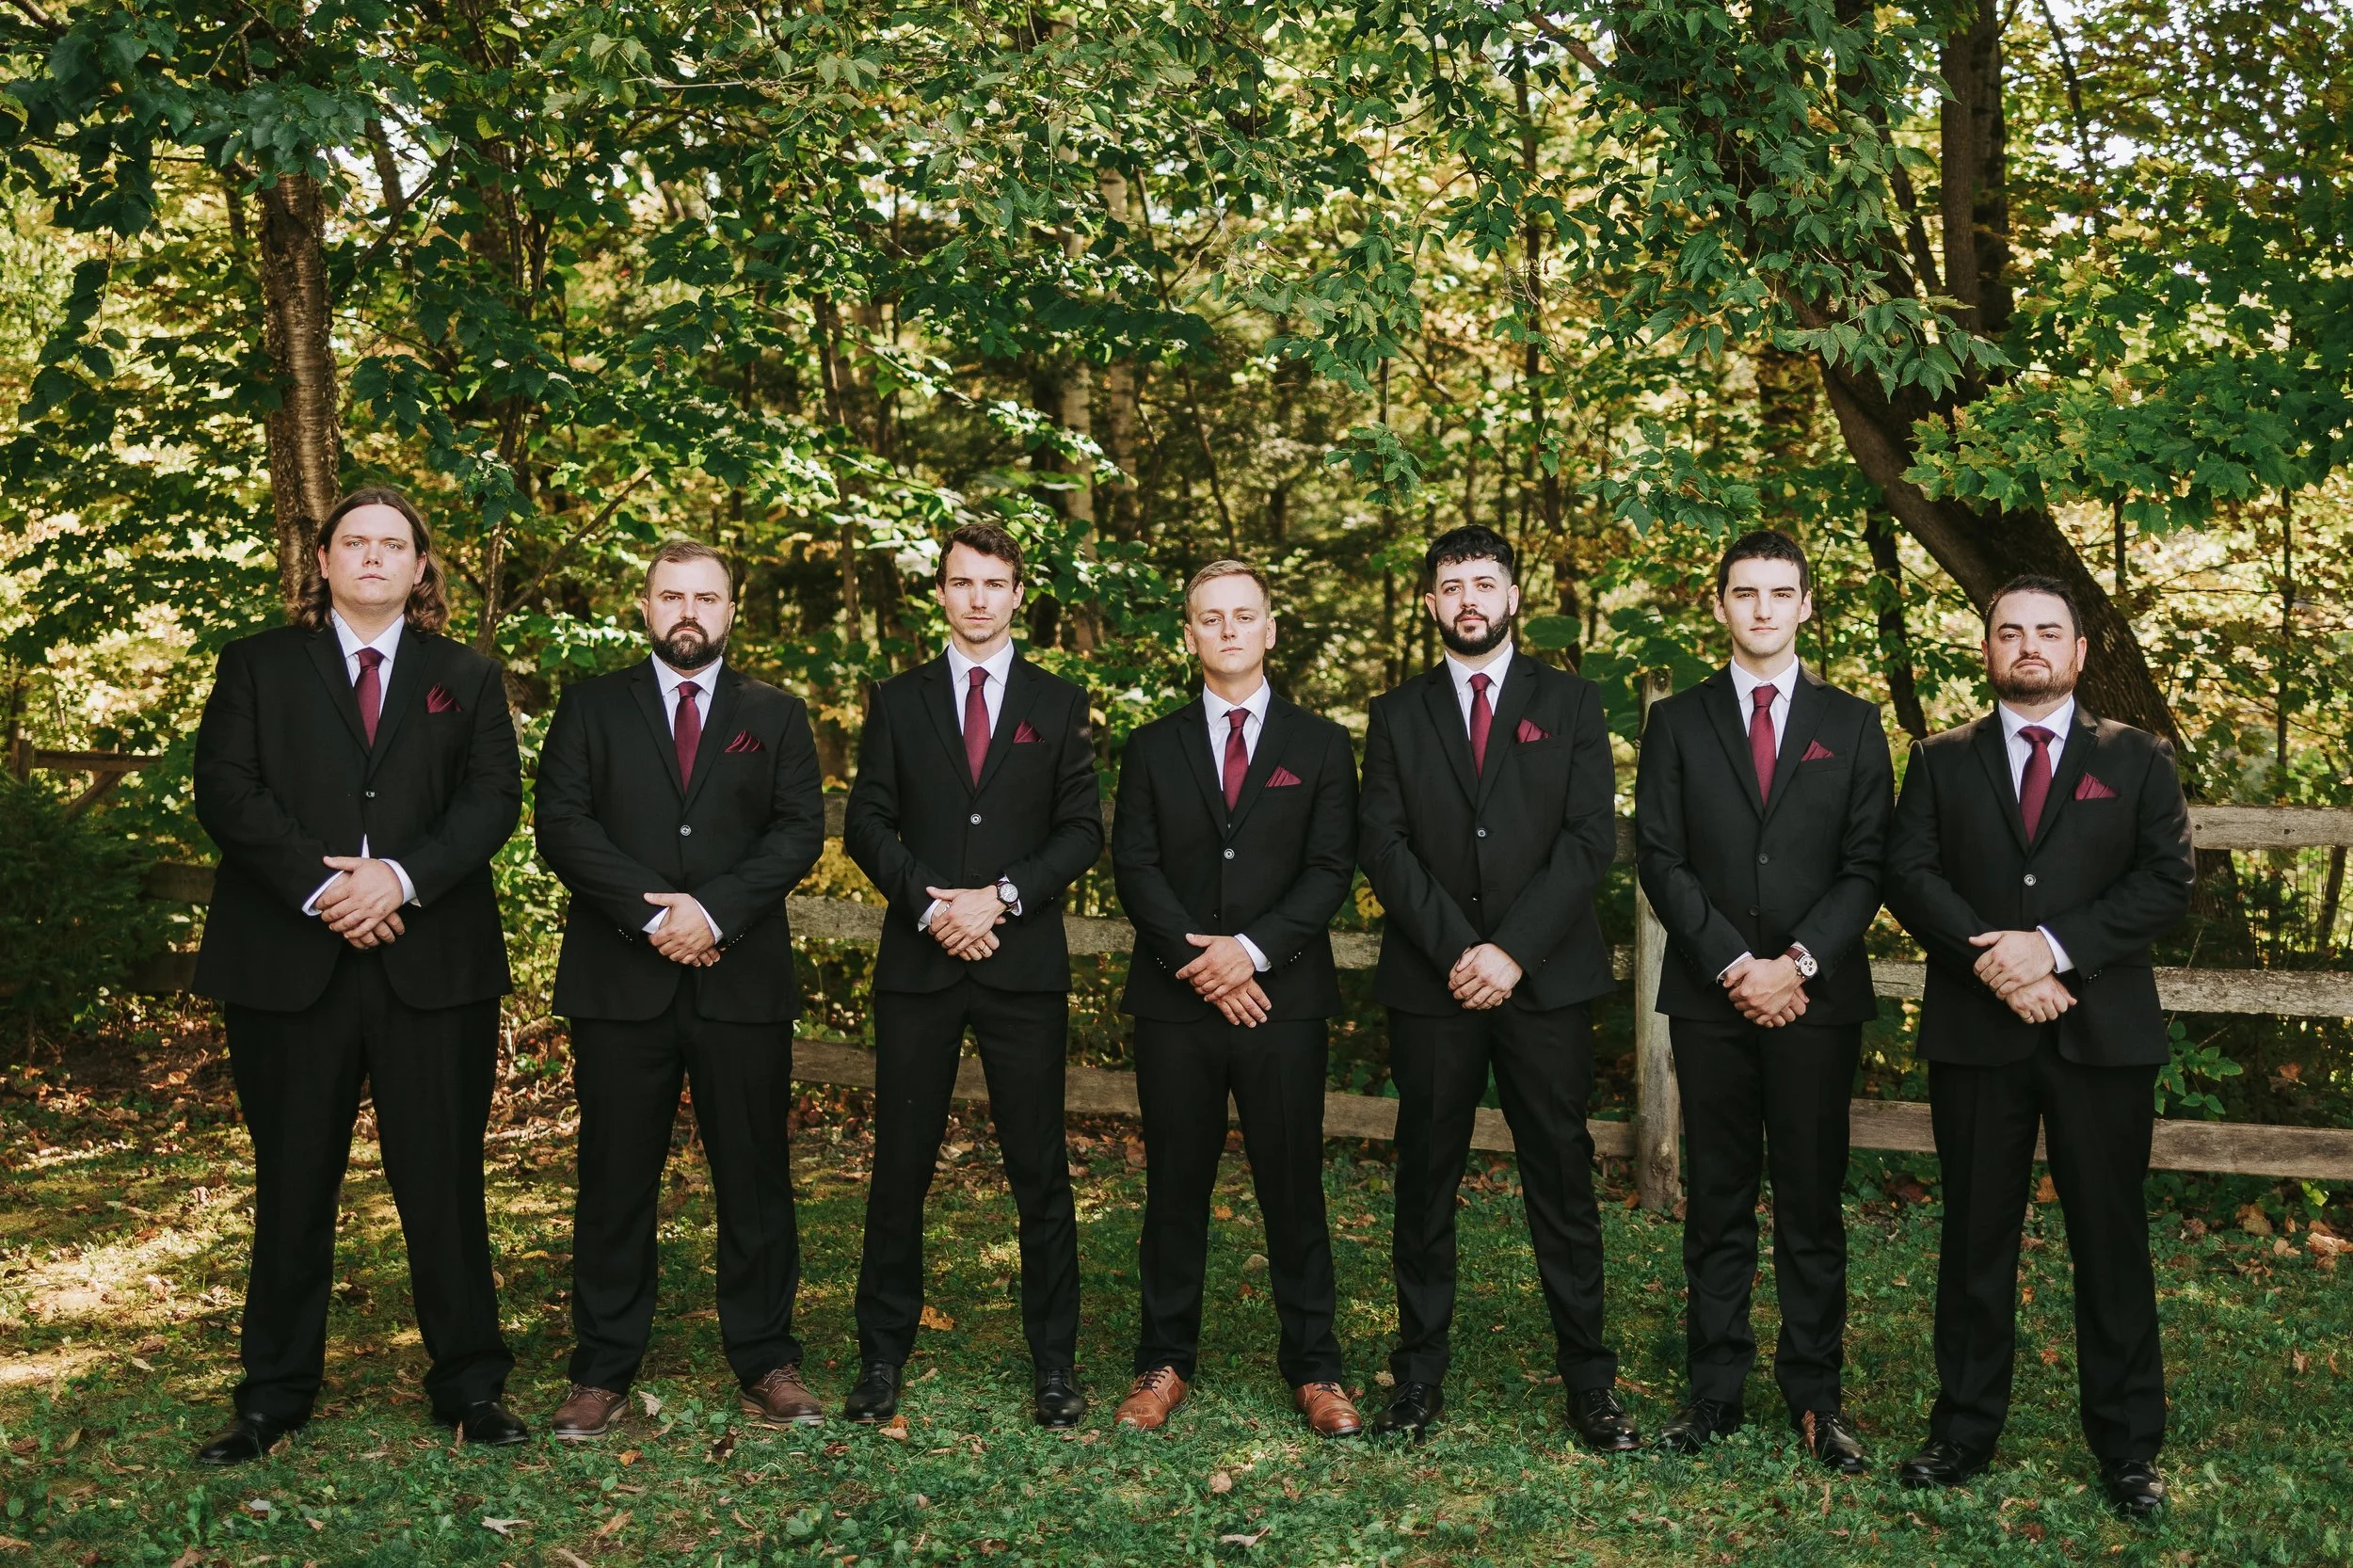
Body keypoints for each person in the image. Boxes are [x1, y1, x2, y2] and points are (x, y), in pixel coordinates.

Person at [188, 488, 524, 1464]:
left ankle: (470, 1386)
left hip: (433, 963)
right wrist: (321, 888)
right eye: (354, 542)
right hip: (290, 963)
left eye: (394, 544)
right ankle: (272, 1395)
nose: (373, 557)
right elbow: (226, 787)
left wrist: (399, 879)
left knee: (444, 1179)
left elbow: (493, 799)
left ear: (423, 568)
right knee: (294, 1178)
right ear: (323, 561)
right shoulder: (254, 665)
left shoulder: (465, 674)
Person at [1884, 574, 2193, 1521]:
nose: (2027, 645)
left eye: (2046, 632)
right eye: (2009, 631)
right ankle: (1963, 1428)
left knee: (2110, 1242)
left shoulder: (2137, 758)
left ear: (2078, 651)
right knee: (1974, 1238)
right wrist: (1999, 963)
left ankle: (2129, 1449)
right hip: (1979, 1036)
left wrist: (2051, 949)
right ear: (1986, 650)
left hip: (2101, 1032)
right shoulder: (1940, 759)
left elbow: (2164, 877)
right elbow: (1907, 871)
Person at [535, 538, 826, 1439]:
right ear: (647, 605)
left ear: (732, 611)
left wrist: (714, 913)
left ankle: (768, 1359)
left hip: (741, 980)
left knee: (755, 1178)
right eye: (672, 596)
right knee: (614, 1178)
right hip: (620, 981)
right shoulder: (590, 706)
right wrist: (654, 917)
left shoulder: (775, 714)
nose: (688, 611)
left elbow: (797, 830)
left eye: (706, 596)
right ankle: (602, 1369)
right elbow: (562, 823)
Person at [1356, 524, 1635, 1447]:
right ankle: (1417, 1375)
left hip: (1545, 981)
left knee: (1560, 1175)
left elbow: (1588, 840)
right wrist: (1458, 950)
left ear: (1512, 596)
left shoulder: (1573, 701)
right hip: (1433, 984)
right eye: (1450, 585)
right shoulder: (1396, 715)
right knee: (1424, 1175)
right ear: (1429, 603)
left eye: (1484, 582)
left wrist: (1509, 951)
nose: (1468, 598)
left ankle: (1589, 1382)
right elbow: (1383, 846)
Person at [1633, 530, 1893, 1472]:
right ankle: (1714, 1390)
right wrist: (1737, 964)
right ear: (1719, 606)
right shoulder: (1678, 721)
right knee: (1718, 1197)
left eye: (1780, 593)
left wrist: (1799, 962)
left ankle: (1816, 1396)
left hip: (1817, 1003)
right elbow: (1657, 855)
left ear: (1806, 605)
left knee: (1813, 1201)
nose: (1762, 608)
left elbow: (1868, 863)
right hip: (1712, 997)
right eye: (1744, 593)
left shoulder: (1854, 723)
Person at [840, 522, 1104, 1427]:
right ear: (942, 594)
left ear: (1020, 593)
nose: (979, 598)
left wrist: (998, 898)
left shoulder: (1060, 704)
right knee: (900, 1168)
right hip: (919, 964)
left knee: (1040, 1167)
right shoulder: (898, 699)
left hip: (1021, 966)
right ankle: (880, 1359)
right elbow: (867, 823)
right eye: (963, 582)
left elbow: (1081, 832)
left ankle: (1056, 1366)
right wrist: (933, 905)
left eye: (995, 583)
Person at [1108, 561, 1363, 1438]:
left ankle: (1317, 1369)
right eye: (1209, 618)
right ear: (1189, 635)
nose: (1227, 630)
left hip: (1281, 1003)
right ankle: (1164, 1360)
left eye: (1243, 615)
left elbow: (1331, 867)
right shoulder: (1151, 746)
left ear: (1270, 629)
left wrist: (1251, 955)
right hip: (1177, 1004)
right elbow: (1134, 866)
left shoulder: (1323, 745)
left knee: (1293, 1186)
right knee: (1175, 1186)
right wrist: (1204, 962)